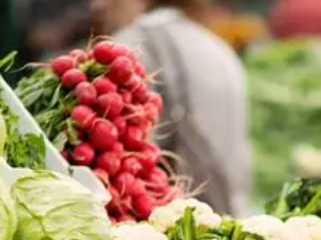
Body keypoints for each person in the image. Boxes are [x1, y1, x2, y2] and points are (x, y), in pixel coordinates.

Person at [90, 0, 253, 216]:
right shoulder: (217, 46)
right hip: (224, 215)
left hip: (176, 222)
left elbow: (127, 167)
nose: (97, 5)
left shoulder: (134, 45)